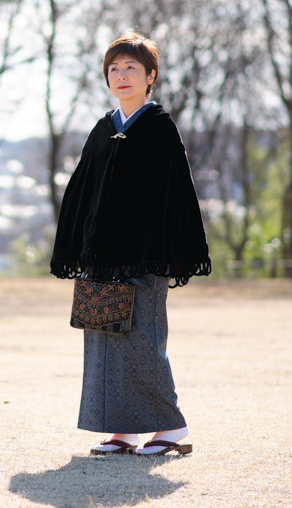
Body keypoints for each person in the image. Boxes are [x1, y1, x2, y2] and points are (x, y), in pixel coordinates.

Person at [50, 31, 211, 456]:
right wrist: (77, 249)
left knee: (143, 342)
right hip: (101, 259)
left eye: (131, 68)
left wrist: (169, 253)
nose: (121, 76)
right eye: (114, 69)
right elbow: (81, 192)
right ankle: (121, 430)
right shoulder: (104, 128)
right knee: (104, 343)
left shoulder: (159, 128)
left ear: (150, 75)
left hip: (145, 256)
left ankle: (170, 428)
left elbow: (177, 194)